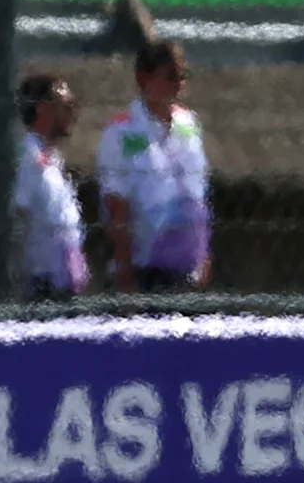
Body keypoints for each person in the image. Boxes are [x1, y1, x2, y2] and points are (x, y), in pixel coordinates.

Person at [97, 39, 210, 294]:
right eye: (171, 76)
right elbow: (117, 205)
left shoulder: (188, 124)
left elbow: (199, 193)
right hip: (145, 268)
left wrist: (204, 255)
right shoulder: (121, 132)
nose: (179, 84)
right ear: (143, 79)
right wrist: (126, 279)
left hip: (187, 266)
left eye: (183, 76)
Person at [12, 74, 89, 300]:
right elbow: (17, 215)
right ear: (42, 110)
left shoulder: (51, 157)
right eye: (66, 106)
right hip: (41, 283)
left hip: (64, 279)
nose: (74, 113)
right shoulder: (27, 157)